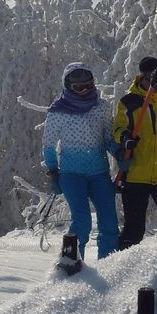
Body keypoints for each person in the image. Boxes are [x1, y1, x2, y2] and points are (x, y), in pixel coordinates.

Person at [42, 62, 119, 260]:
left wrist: (119, 152)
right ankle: (72, 266)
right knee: (82, 222)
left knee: (110, 223)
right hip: (71, 175)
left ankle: (108, 267)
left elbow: (108, 138)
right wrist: (53, 172)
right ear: (68, 86)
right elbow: (49, 145)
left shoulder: (101, 107)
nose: (84, 91)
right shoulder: (58, 111)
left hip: (99, 173)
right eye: (78, 87)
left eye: (88, 86)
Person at [113, 56, 157, 250]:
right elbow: (118, 129)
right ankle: (120, 270)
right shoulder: (129, 102)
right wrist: (126, 137)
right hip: (136, 175)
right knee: (134, 230)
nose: (154, 84)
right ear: (140, 78)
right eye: (149, 79)